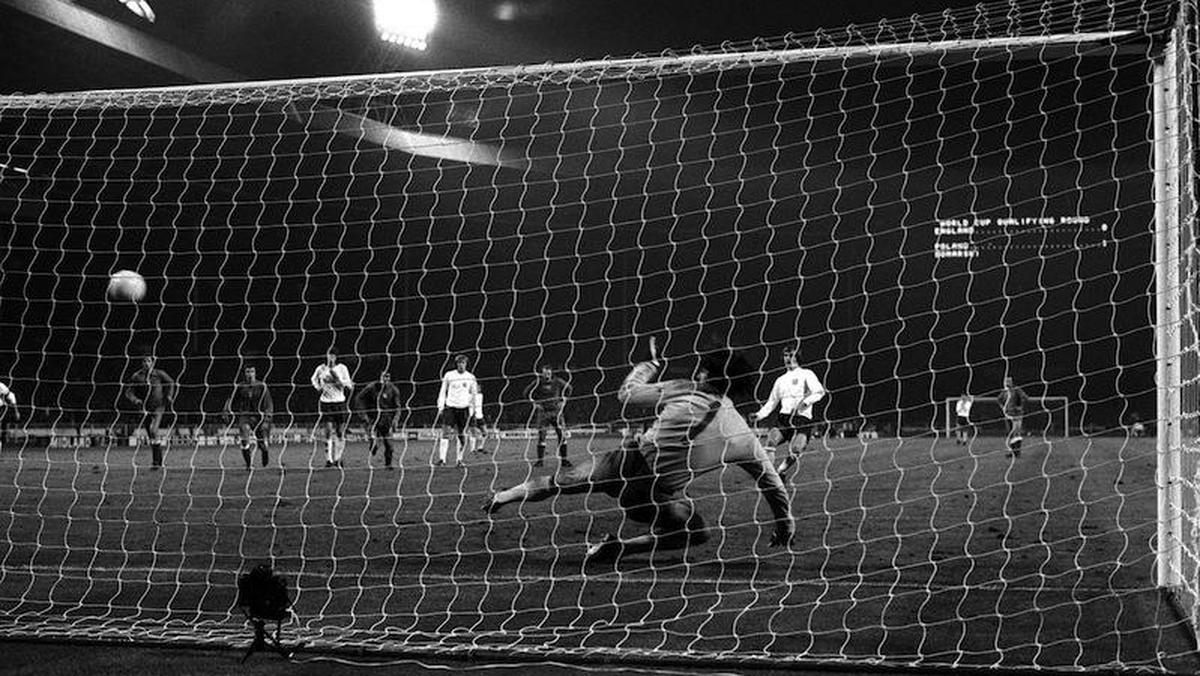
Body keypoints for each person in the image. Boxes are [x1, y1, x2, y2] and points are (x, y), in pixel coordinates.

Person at [484, 336, 794, 564]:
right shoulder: (743, 434)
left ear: (704, 375)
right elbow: (772, 483)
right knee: (696, 531)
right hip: (651, 497)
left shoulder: (684, 388)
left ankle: (502, 496)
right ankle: (623, 549)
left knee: (560, 482)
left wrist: (649, 365)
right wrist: (785, 525)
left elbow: (626, 394)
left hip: (625, 463)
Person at [749, 345, 826, 477]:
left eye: (791, 355)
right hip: (784, 418)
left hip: (802, 419)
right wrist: (758, 415)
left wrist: (805, 402)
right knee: (770, 442)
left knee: (796, 449)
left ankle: (780, 471)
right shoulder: (780, 380)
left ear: (797, 356)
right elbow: (771, 402)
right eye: (786, 355)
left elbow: (820, 392)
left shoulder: (807, 374)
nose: (788, 358)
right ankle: (770, 475)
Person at [124, 354, 177, 469]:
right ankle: (157, 461)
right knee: (151, 435)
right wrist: (135, 400)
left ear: (152, 363)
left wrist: (169, 395)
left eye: (148, 361)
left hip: (159, 406)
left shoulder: (159, 374)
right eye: (144, 361)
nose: (146, 363)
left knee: (154, 431)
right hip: (144, 408)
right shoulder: (137, 376)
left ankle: (157, 461)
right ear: (141, 363)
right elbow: (129, 392)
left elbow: (171, 382)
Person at [311, 348, 353, 468]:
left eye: (333, 355)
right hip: (326, 403)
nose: (331, 358)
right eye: (329, 355)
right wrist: (318, 387)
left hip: (340, 402)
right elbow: (313, 379)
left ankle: (338, 458)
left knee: (340, 432)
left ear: (336, 357)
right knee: (328, 431)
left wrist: (337, 379)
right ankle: (329, 460)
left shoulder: (342, 368)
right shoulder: (321, 368)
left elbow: (348, 385)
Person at [226, 365, 274, 469]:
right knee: (244, 436)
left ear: (255, 373)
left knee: (263, 444)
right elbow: (231, 399)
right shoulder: (240, 386)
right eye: (248, 372)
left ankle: (265, 451)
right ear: (244, 373)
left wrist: (267, 418)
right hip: (245, 415)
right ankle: (248, 465)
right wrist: (227, 410)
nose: (250, 374)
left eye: (252, 371)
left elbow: (269, 404)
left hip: (259, 417)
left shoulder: (262, 386)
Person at [436, 354, 478, 468]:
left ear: (466, 364)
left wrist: (473, 409)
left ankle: (459, 460)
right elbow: (442, 391)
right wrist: (440, 406)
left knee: (461, 435)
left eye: (463, 363)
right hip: (450, 408)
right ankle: (442, 459)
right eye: (459, 363)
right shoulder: (449, 375)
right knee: (445, 432)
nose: (461, 365)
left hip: (464, 409)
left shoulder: (470, 377)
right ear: (456, 364)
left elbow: (474, 395)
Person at [354, 370, 402, 469]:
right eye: (384, 377)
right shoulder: (371, 388)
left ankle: (388, 464)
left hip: (386, 420)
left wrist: (395, 420)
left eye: (388, 377)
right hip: (372, 419)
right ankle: (373, 446)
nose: (386, 379)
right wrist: (363, 415)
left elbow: (398, 407)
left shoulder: (394, 390)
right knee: (374, 442)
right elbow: (359, 398)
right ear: (380, 377)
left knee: (389, 445)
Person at [526, 364, 572, 468]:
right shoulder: (537, 383)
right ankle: (540, 461)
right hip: (543, 413)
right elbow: (526, 393)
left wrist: (564, 400)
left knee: (562, 435)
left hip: (557, 412)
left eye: (548, 373)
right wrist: (534, 403)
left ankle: (564, 461)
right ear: (541, 373)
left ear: (551, 373)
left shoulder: (558, 381)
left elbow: (569, 388)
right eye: (544, 373)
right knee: (542, 436)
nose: (546, 375)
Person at [998, 376, 1029, 457]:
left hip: (1017, 414)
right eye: (1006, 381)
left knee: (1017, 432)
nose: (1007, 383)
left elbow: (1025, 397)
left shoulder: (1017, 390)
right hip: (1008, 415)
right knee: (1010, 433)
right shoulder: (1004, 392)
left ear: (1012, 382)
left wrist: (1020, 406)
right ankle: (1013, 452)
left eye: (1009, 381)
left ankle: (1017, 452)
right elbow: (998, 400)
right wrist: (1003, 408)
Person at [0, 380, 19, 452]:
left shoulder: (1, 386)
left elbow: (11, 396)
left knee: (2, 433)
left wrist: (16, 411)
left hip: (1, 410)